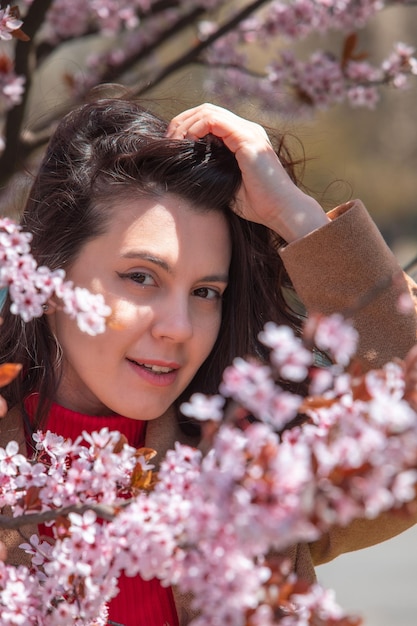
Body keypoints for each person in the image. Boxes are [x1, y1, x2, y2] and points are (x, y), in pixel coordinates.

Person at [0, 94, 416, 625]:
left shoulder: (249, 475)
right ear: (50, 277)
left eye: (205, 292)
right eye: (141, 277)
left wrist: (295, 215)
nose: (178, 328)